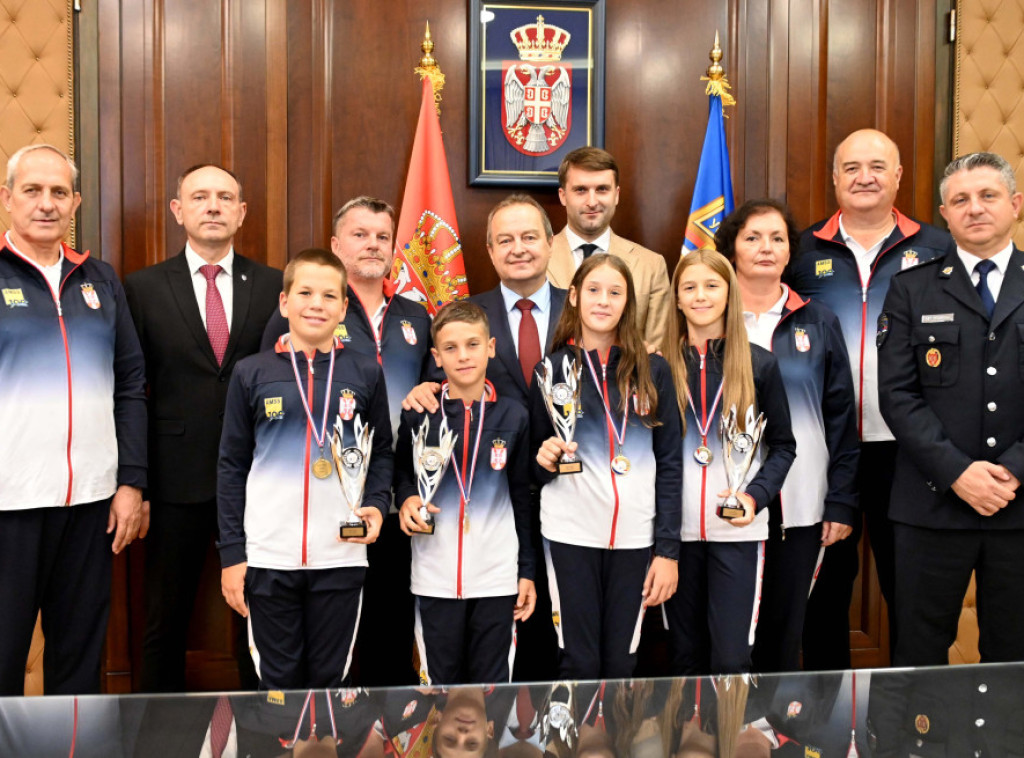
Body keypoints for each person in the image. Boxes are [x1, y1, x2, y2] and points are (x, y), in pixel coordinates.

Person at [785, 128, 954, 668]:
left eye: (878, 166)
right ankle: (820, 734)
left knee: (911, 592)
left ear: (899, 176)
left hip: (909, 450)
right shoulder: (801, 250)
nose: (865, 177)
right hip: (826, 450)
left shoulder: (936, 248)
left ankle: (915, 725)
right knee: (824, 593)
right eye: (852, 167)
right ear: (834, 177)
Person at [264, 197, 433, 686]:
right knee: (322, 639)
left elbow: (432, 402)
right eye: (360, 234)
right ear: (336, 245)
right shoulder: (309, 312)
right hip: (323, 501)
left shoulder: (416, 317)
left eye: (383, 236)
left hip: (395, 493)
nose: (373, 244)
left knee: (390, 624)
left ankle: (389, 734)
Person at [125, 163, 281, 692]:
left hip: (258, 478)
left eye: (224, 198)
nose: (212, 206)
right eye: (199, 197)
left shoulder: (275, 287)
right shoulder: (141, 289)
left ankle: (264, 733)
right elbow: (131, 391)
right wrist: (137, 481)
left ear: (241, 212)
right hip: (173, 482)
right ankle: (157, 735)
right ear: (178, 211)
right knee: (165, 620)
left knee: (256, 616)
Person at [0, 144, 147, 695]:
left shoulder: (101, 281)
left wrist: (130, 482)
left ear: (76, 203)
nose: (46, 204)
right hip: (8, 505)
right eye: (32, 191)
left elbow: (132, 386)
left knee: (79, 662)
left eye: (59, 192)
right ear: (8, 198)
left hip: (90, 504)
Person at [404, 193, 566, 682]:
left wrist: (525, 568)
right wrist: (420, 393)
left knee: (533, 659)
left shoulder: (582, 309)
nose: (518, 248)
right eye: (504, 240)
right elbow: (406, 451)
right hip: (461, 526)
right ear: (490, 252)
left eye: (529, 236)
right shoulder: (468, 314)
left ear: (549, 243)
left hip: (564, 502)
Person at [217, 248, 393, 688]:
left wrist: (374, 503)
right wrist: (234, 554)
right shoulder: (251, 373)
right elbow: (232, 466)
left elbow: (384, 451)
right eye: (306, 292)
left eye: (329, 295)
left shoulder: (366, 372)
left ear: (344, 309)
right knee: (277, 681)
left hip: (341, 554)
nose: (317, 304)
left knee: (330, 679)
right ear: (284, 302)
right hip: (268, 557)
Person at [877, 151, 1024, 666]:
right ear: (943, 212)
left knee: (1016, 655)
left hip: (1019, 503)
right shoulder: (910, 288)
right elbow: (897, 394)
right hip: (932, 504)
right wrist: (959, 473)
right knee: (918, 652)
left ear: (1016, 204)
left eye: (988, 196)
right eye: (960, 200)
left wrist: (1011, 470)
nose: (975, 209)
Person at [715, 199, 859, 673]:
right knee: (728, 638)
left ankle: (773, 739)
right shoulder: (705, 319)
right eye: (752, 237)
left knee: (784, 633)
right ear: (731, 248)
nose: (765, 247)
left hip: (800, 505)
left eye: (777, 238)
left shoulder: (818, 321)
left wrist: (841, 500)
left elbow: (840, 417)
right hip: (721, 505)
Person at [531, 253, 682, 679]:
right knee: (578, 661)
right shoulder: (550, 370)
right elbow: (534, 467)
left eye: (615, 293)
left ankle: (613, 745)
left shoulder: (654, 371)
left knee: (620, 661)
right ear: (575, 296)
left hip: (636, 539)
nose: (603, 301)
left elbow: (670, 463)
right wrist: (543, 462)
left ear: (627, 303)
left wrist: (667, 550)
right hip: (568, 537)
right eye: (594, 290)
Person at [661, 249, 795, 675]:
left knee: (732, 658)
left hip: (738, 535)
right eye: (689, 287)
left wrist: (756, 497)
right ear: (676, 299)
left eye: (712, 285)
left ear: (729, 292)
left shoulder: (760, 364)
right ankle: (682, 742)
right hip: (672, 537)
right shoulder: (657, 368)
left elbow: (784, 446)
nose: (700, 296)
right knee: (682, 656)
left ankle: (727, 742)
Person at [394, 300, 535, 684]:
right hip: (434, 576)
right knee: (438, 688)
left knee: (492, 686)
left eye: (473, 345)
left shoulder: (514, 416)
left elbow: (523, 499)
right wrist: (407, 497)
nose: (463, 356)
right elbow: (402, 473)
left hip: (497, 576)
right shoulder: (419, 413)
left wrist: (526, 572)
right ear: (436, 357)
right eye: (451, 348)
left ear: (490, 347)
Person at [545, 147, 672, 347]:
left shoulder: (652, 265)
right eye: (581, 190)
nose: (592, 201)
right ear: (563, 196)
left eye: (602, 189)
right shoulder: (537, 260)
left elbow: (657, 350)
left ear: (616, 195)